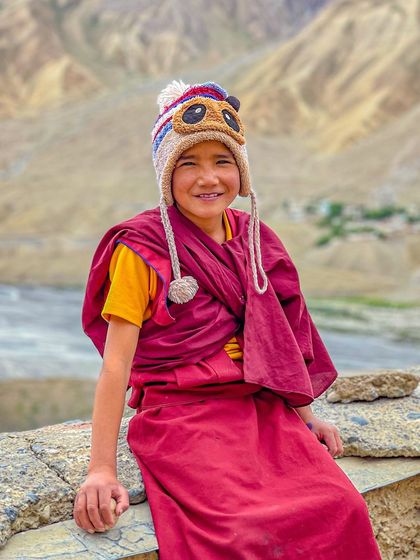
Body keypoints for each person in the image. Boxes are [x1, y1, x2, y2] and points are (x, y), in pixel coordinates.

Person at [74, 80, 382, 559]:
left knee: (343, 507)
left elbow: (277, 340)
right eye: (188, 163)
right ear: (165, 174)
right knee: (237, 533)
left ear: (240, 171)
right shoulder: (143, 250)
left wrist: (306, 415)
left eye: (223, 162)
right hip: (181, 417)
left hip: (261, 410)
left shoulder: (255, 238)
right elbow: (116, 366)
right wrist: (101, 469)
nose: (208, 179)